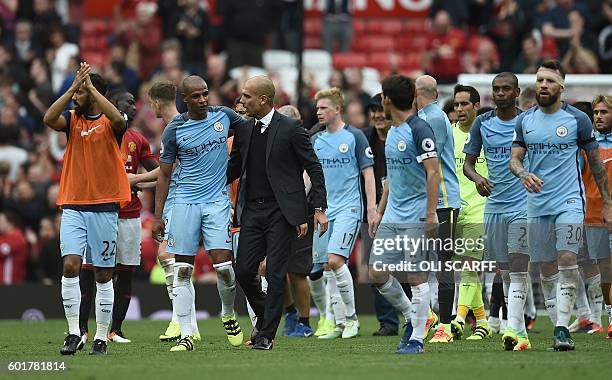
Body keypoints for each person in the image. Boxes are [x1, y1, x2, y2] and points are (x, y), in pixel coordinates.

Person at [509, 60, 612, 351]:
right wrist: (522, 173)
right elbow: (515, 157)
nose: (543, 85)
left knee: (568, 259)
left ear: (561, 86)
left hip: (569, 202)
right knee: (545, 268)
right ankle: (560, 323)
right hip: (536, 204)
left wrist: (608, 202)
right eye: (540, 80)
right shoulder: (525, 120)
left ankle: (561, 329)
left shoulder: (578, 119)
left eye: (550, 81)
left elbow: (595, 163)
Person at [227, 76, 328, 350]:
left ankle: (265, 335)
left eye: (247, 96)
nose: (242, 100)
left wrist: (318, 209)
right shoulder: (245, 130)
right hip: (251, 210)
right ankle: (267, 316)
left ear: (263, 99)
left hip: (282, 212)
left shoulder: (292, 128)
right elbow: (233, 168)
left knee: (275, 273)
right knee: (245, 271)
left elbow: (314, 167)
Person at [152, 75, 245, 352]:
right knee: (182, 269)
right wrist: (158, 215)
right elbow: (165, 175)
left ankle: (228, 313)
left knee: (225, 268)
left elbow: (253, 132)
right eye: (197, 96)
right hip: (184, 204)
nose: (203, 100)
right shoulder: (174, 130)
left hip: (217, 202)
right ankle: (187, 332)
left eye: (206, 94)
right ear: (185, 99)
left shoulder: (225, 117)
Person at [44, 63, 131, 355]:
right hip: (73, 204)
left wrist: (90, 88)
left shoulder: (111, 123)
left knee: (104, 274)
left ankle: (101, 336)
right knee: (70, 265)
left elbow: (119, 119)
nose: (74, 98)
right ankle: (72, 333)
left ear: (93, 94)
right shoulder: (71, 120)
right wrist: (72, 86)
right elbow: (48, 117)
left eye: (79, 93)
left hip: (105, 207)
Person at [78, 90, 159, 344]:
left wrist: (138, 182)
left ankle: (116, 330)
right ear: (113, 105)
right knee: (90, 271)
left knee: (125, 271)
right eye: (129, 103)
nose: (135, 108)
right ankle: (82, 328)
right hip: (98, 211)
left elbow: (158, 173)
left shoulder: (138, 139)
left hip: (128, 214)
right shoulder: (95, 133)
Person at [368, 74, 440, 354]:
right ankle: (415, 317)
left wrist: (431, 214)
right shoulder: (392, 131)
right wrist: (379, 211)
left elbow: (433, 172)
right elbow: (393, 179)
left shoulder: (418, 129)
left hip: (416, 215)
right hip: (392, 215)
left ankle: (417, 340)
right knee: (376, 272)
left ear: (387, 99)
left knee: (416, 277)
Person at [464, 73, 532, 350]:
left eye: (506, 89)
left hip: (522, 205)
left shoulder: (528, 121)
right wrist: (477, 178)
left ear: (516, 92)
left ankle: (515, 329)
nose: (500, 93)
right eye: (496, 89)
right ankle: (517, 331)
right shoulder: (482, 122)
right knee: (503, 271)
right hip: (494, 206)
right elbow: (468, 164)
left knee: (517, 266)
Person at [129, 81, 201, 342]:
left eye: (150, 103)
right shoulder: (176, 124)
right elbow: (165, 172)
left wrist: (134, 180)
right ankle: (186, 322)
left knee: (168, 255)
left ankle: (180, 321)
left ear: (157, 102)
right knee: (173, 258)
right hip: (177, 197)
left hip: (184, 198)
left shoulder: (177, 126)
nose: (150, 108)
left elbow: (166, 170)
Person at [309, 88, 376, 340]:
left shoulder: (355, 137)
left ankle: (351, 320)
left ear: (338, 109)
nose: (319, 112)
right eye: (317, 108)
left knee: (335, 261)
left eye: (324, 108)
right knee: (327, 267)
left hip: (349, 208)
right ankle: (337, 323)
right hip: (324, 211)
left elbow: (368, 173)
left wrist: (371, 208)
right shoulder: (316, 140)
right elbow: (310, 177)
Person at [415, 75, 460, 343]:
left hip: (443, 200)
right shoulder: (426, 116)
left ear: (418, 93)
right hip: (429, 200)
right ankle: (430, 317)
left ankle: (445, 323)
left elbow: (427, 162)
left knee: (443, 263)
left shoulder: (431, 118)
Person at [449, 84, 492, 341]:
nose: (459, 109)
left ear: (476, 106)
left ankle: (458, 318)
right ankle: (484, 322)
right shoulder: (448, 136)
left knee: (469, 265)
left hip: (481, 207)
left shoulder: (489, 135)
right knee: (466, 270)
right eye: (456, 105)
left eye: (465, 104)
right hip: (455, 208)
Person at [571, 95, 612, 338]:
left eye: (604, 112)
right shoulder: (586, 146)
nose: (598, 116)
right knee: (601, 270)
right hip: (591, 217)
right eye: (596, 112)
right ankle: (604, 314)